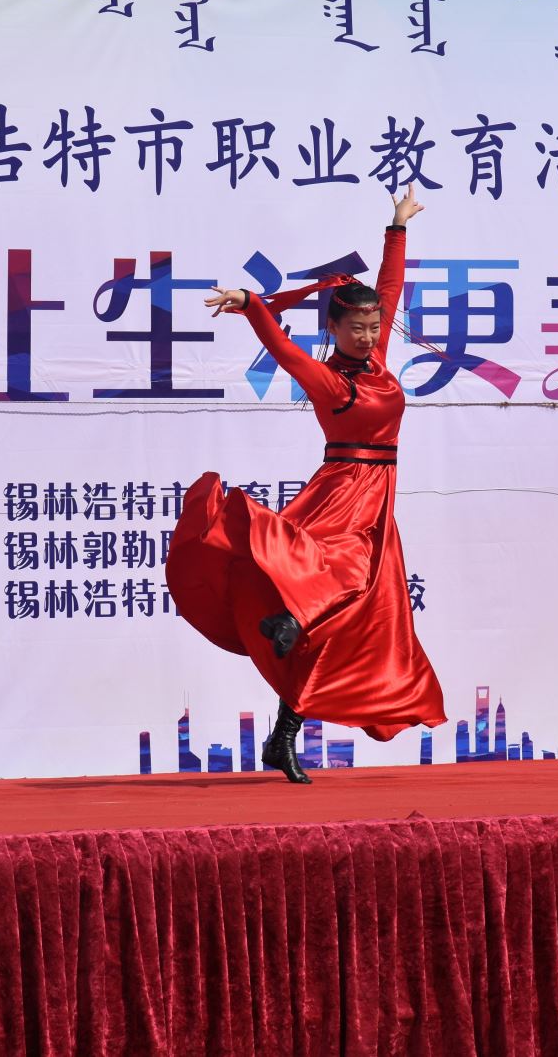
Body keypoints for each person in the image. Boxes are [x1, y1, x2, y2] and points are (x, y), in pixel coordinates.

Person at [164, 185, 446, 783]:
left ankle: (283, 731)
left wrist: (397, 228)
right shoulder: (330, 381)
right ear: (334, 328)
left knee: (360, 619)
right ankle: (290, 621)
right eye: (357, 328)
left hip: (377, 495)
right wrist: (252, 304)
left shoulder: (377, 361)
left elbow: (390, 286)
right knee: (352, 578)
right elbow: (282, 348)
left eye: (374, 326)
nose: (368, 335)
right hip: (343, 492)